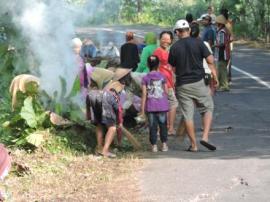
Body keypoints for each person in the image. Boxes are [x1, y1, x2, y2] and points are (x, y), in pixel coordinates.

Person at [168, 19, 218, 152]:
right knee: (207, 108)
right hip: (198, 83)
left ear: (177, 32)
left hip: (182, 85)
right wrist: (215, 76)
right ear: (189, 30)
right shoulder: (199, 43)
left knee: (187, 115)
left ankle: (194, 145)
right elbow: (210, 60)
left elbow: (171, 69)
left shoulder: (174, 47)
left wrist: (172, 84)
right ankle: (205, 137)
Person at [86, 81, 124, 158]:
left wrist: (89, 117)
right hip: (105, 99)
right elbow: (119, 111)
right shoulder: (113, 96)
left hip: (91, 96)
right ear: (118, 92)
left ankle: (99, 148)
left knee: (99, 124)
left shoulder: (98, 91)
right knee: (112, 128)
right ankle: (105, 151)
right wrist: (119, 123)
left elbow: (88, 106)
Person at [141, 55, 169, 152]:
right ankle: (164, 145)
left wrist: (142, 109)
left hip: (151, 106)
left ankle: (154, 146)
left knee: (152, 126)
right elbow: (166, 91)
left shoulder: (145, 78)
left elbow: (144, 94)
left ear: (148, 65)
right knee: (163, 125)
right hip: (162, 105)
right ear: (158, 64)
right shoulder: (163, 76)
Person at [153, 31, 178, 136]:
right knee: (172, 104)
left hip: (167, 82)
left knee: (164, 105)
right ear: (160, 39)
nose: (165, 41)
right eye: (163, 38)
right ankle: (169, 128)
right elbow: (154, 67)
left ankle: (164, 128)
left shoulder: (167, 51)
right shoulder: (158, 51)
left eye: (167, 39)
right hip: (163, 83)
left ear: (171, 40)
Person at [215, 15, 231, 91]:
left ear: (220, 23)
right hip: (224, 52)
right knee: (221, 69)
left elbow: (222, 44)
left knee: (222, 69)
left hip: (223, 52)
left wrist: (214, 45)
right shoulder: (224, 30)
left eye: (217, 22)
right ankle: (221, 85)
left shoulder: (222, 31)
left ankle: (224, 86)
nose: (216, 24)